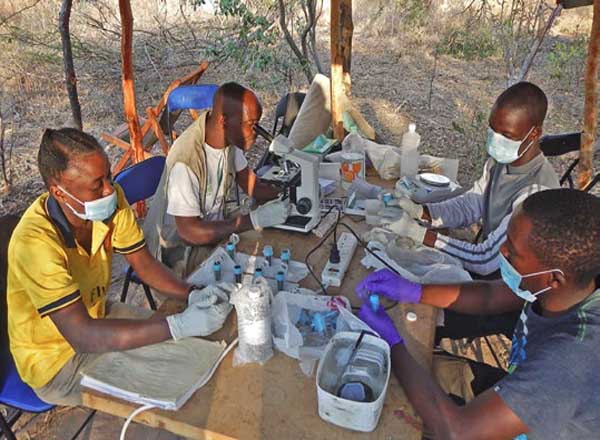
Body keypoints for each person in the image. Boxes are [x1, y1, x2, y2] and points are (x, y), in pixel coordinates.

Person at [7, 128, 232, 406]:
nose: (109, 189)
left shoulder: (109, 202)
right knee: (178, 384)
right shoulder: (35, 243)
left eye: (109, 177)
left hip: (97, 316)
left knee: (196, 348)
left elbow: (144, 263)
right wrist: (178, 325)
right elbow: (83, 337)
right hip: (57, 363)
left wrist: (191, 294)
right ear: (59, 192)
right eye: (97, 184)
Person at [356, 188, 600, 439]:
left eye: (512, 252)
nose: (501, 251)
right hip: (521, 390)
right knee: (400, 380)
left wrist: (392, 343)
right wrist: (414, 291)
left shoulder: (572, 358)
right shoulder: (559, 287)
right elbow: (489, 296)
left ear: (554, 278)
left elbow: (457, 432)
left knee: (393, 412)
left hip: (518, 423)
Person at [388, 81, 559, 277]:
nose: (495, 140)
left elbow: (485, 259)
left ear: (534, 133)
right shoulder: (499, 163)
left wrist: (420, 234)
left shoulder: (536, 192)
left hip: (509, 285)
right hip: (490, 268)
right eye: (492, 130)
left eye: (506, 135)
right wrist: (423, 213)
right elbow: (471, 204)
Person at [145, 82, 289, 277]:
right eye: (250, 125)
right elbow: (190, 232)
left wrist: (289, 193)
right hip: (177, 251)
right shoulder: (186, 160)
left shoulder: (229, 138)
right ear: (224, 121)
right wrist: (254, 219)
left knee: (272, 244)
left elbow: (251, 185)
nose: (255, 133)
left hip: (211, 227)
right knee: (251, 263)